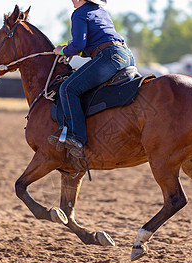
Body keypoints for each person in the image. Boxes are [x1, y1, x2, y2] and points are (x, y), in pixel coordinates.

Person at [48, 0, 135, 160]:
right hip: (126, 56)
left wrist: (62, 50)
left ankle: (76, 138)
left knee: (68, 89)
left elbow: (79, 45)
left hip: (109, 57)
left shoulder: (79, 14)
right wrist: (71, 50)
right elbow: (89, 46)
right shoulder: (100, 11)